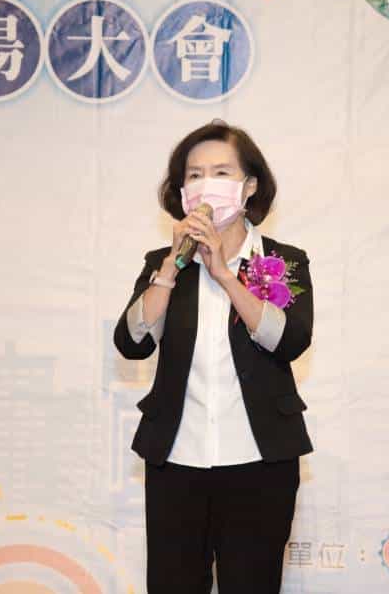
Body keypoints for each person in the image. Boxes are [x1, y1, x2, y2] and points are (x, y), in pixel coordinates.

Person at [113, 119, 314, 594]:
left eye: (221, 173)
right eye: (194, 174)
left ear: (250, 185)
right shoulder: (162, 263)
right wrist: (171, 267)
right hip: (177, 459)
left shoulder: (283, 260)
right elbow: (132, 341)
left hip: (260, 460)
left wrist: (224, 274)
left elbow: (289, 340)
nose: (206, 185)